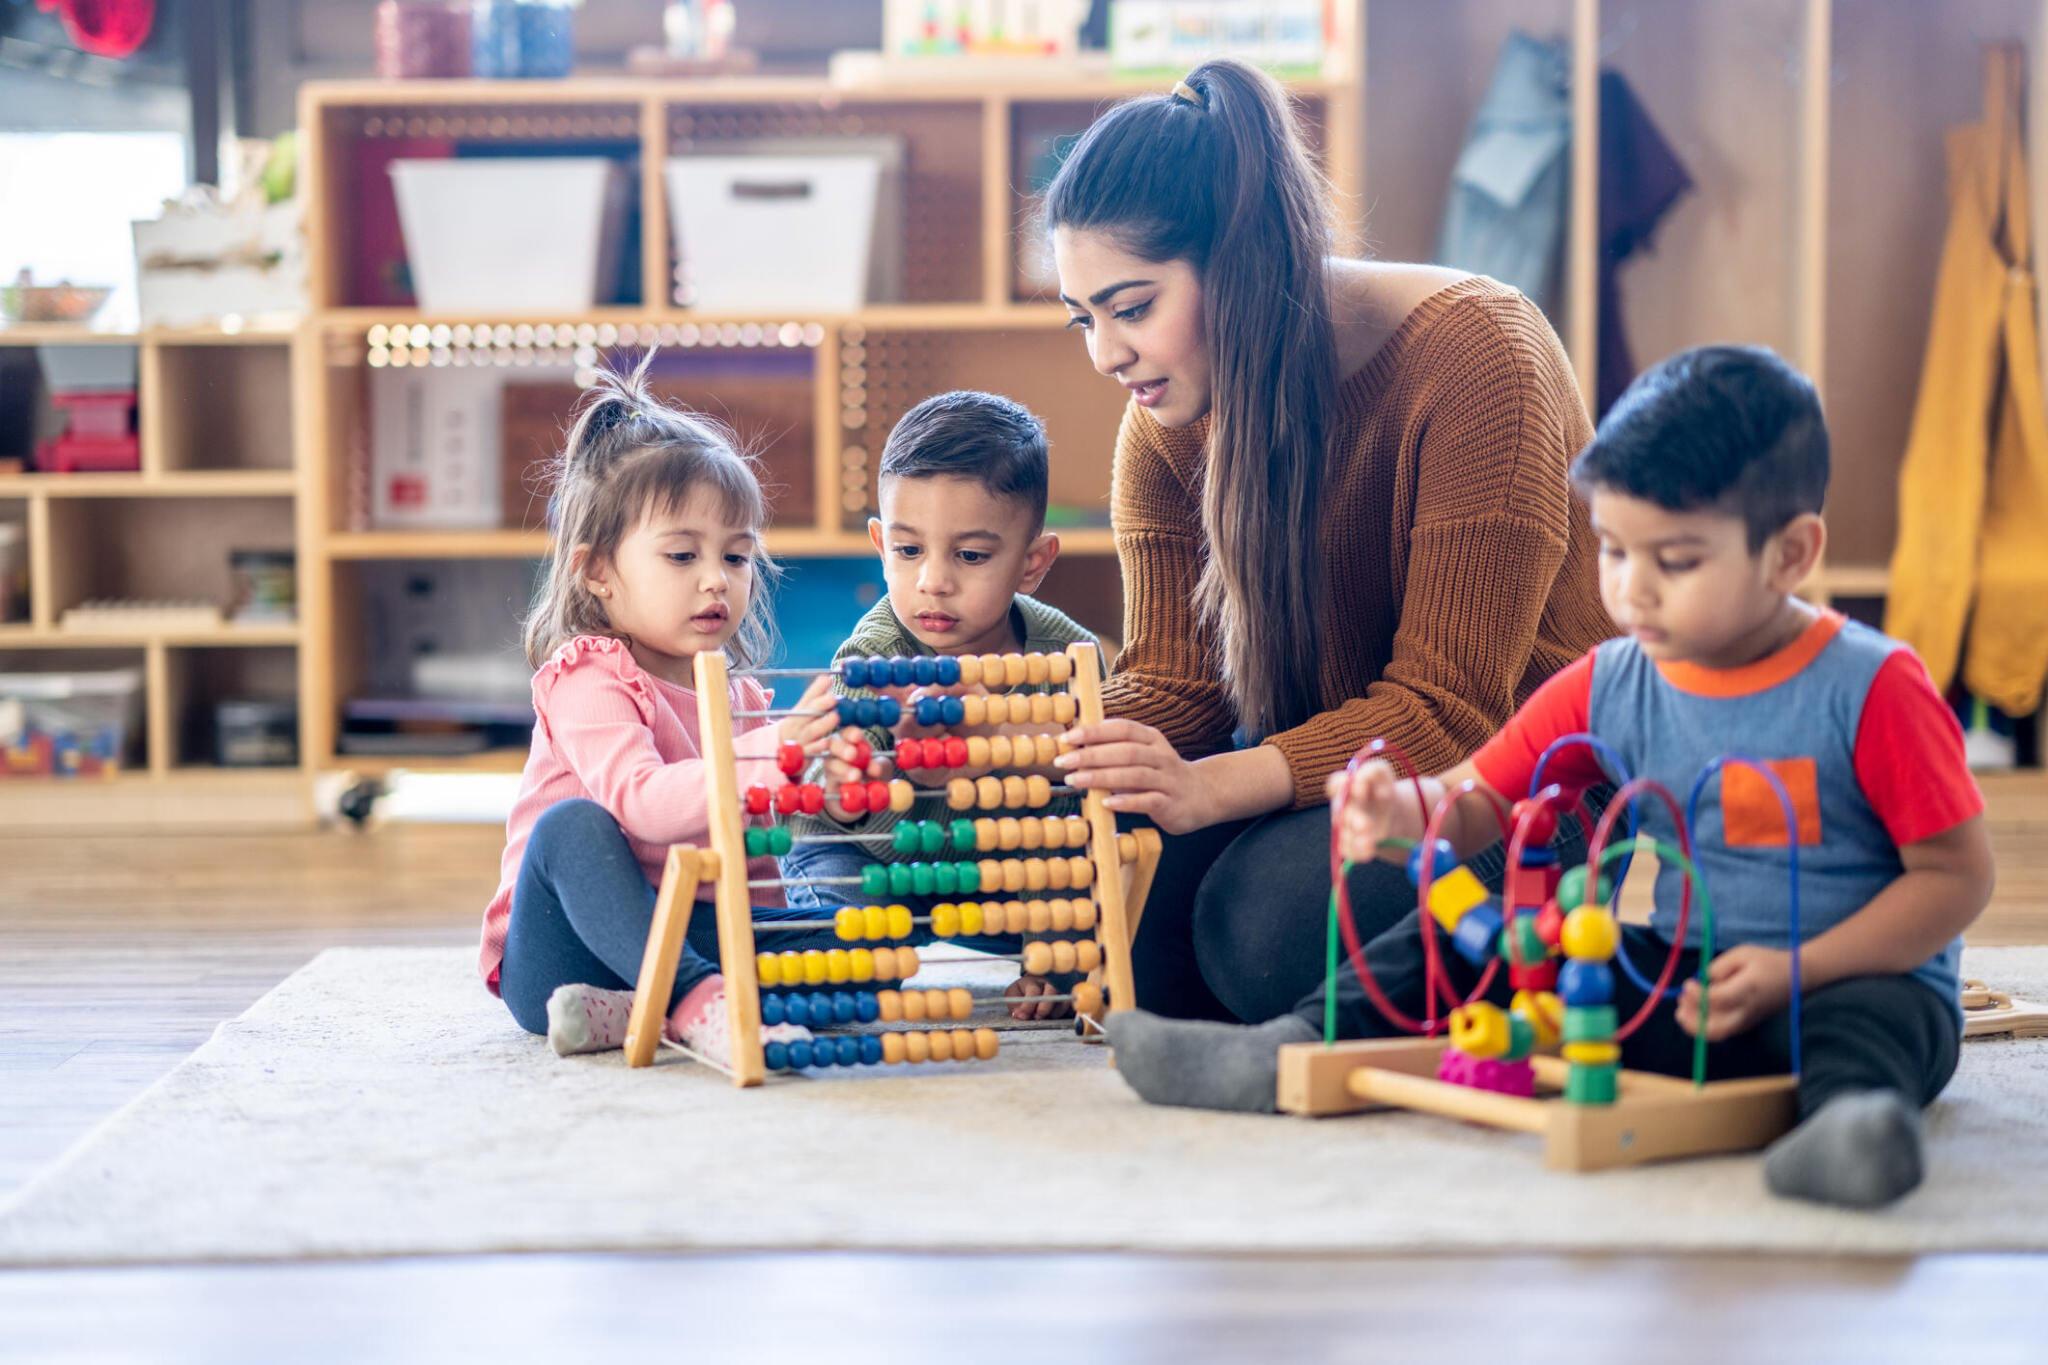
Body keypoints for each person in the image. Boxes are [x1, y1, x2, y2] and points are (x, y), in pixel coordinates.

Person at [1105, 345, 1994, 1209]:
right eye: (1614, 550)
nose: (1634, 591)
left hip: (1856, 978)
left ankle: (1853, 1129)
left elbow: (1956, 881)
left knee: (1878, 1024)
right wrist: (1400, 810)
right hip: (1691, 978)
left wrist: (1800, 968)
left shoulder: (1874, 686)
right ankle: (1294, 1043)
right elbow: (1479, 800)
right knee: (1499, 935)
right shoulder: (1614, 678)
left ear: (1792, 553)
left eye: (1676, 561)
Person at [1042, 58, 1613, 1022]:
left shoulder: (1481, 359)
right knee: (1101, 890)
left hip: (1506, 778)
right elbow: (1179, 687)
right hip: (1325, 765)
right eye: (1083, 318)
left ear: (1237, 260)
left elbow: (1451, 714)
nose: (1106, 353)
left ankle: (1534, 952)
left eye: (1132, 308)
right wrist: (1036, 751)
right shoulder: (1170, 417)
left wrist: (1214, 787)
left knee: (1260, 933)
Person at [480, 356, 848, 1062]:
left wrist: (827, 762)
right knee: (571, 827)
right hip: (566, 951)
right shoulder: (587, 676)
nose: (717, 578)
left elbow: (757, 831)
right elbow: (644, 804)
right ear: (598, 572)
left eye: (737, 558)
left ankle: (639, 1009)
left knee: (868, 936)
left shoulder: (736, 697)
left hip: (697, 928)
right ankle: (696, 1003)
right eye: (682, 555)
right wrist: (772, 752)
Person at [781, 390, 1101, 1019]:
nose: (933, 580)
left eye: (971, 555)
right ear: (880, 544)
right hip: (867, 861)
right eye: (908, 550)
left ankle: (1051, 946)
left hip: (994, 880)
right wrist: (890, 784)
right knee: (852, 960)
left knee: (1102, 913)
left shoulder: (1069, 657)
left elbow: (1075, 817)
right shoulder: (870, 660)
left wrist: (1053, 938)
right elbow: (865, 830)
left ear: (1032, 563)